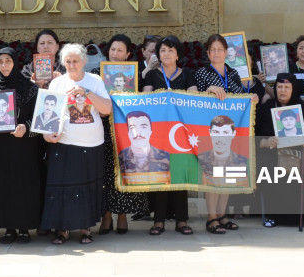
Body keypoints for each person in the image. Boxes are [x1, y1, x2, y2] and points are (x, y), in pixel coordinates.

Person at [40, 44, 110, 245]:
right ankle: (62, 229)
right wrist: (46, 135)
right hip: (64, 143)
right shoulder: (57, 84)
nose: (71, 65)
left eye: (75, 61)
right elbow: (47, 113)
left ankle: (85, 229)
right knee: (63, 186)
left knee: (87, 186)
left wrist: (86, 92)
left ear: (84, 62)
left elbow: (107, 110)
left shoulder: (94, 81)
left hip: (92, 143)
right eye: (68, 61)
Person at [194, 33, 261, 234]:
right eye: (213, 49)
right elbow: (193, 97)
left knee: (226, 174)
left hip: (230, 130)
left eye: (220, 49)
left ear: (226, 52)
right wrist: (209, 89)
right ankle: (211, 217)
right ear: (208, 52)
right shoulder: (202, 73)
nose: (216, 53)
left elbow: (240, 97)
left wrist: (252, 98)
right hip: (211, 131)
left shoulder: (232, 73)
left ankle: (222, 215)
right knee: (212, 176)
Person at [0, 48, 42, 244]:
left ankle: (24, 227)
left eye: (8, 61)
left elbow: (40, 118)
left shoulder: (30, 88)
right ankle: (8, 228)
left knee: (23, 185)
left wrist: (26, 127)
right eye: (1, 62)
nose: (5, 65)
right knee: (4, 185)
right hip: (0, 148)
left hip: (24, 147)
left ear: (15, 62)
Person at [141, 35, 198, 234]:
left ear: (177, 54)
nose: (166, 54)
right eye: (163, 50)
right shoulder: (152, 76)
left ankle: (182, 220)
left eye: (170, 50)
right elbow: (146, 99)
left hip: (180, 133)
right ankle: (159, 221)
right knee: (160, 173)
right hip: (158, 132)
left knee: (180, 174)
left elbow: (193, 98)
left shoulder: (187, 74)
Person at [96, 34, 147, 235]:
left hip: (127, 130)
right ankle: (106, 214)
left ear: (127, 54)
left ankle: (123, 214)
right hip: (102, 128)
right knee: (105, 173)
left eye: (119, 50)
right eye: (112, 50)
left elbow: (143, 102)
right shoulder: (97, 74)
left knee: (124, 170)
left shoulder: (136, 75)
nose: (115, 54)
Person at [260, 73, 304, 227]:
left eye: (287, 87)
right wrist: (267, 141)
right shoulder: (266, 108)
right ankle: (274, 216)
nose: (283, 90)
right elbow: (254, 138)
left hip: (301, 154)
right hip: (273, 154)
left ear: (293, 89)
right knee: (269, 170)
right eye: (280, 87)